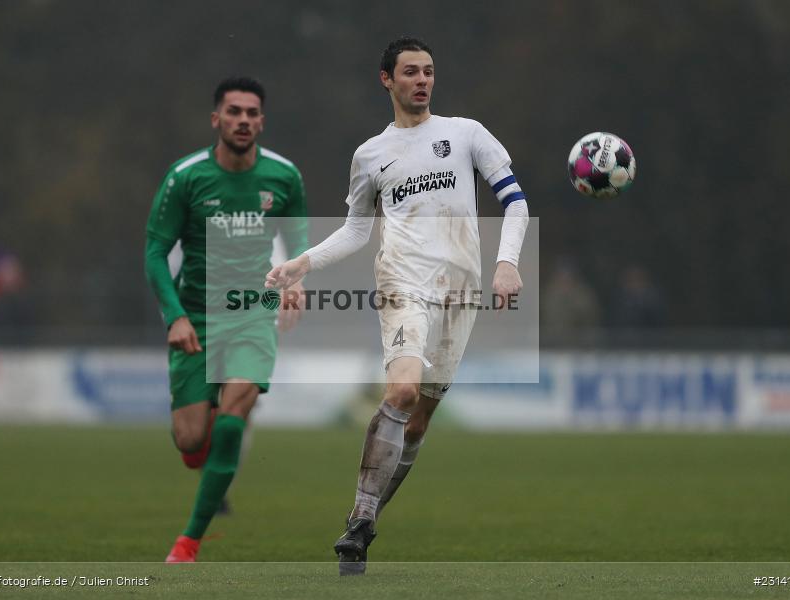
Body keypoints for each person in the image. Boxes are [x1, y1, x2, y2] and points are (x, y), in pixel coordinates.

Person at [265, 37, 530, 575]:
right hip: (402, 280)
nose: (422, 81)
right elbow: (357, 230)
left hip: (462, 289)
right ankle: (362, 519)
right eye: (410, 72)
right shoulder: (371, 155)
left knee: (418, 423)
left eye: (429, 71)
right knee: (403, 390)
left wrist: (507, 262)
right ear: (386, 79)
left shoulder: (465, 133)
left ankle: (361, 520)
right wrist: (302, 264)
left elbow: (515, 201)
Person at [145, 76, 308, 563]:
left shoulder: (284, 176)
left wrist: (296, 278)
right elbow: (156, 251)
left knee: (235, 420)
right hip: (195, 315)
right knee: (192, 440)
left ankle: (188, 542)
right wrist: (174, 316)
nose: (243, 120)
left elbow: (299, 237)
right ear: (216, 118)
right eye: (233, 111)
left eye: (251, 112)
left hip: (251, 312)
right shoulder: (186, 176)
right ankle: (202, 444)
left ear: (262, 120)